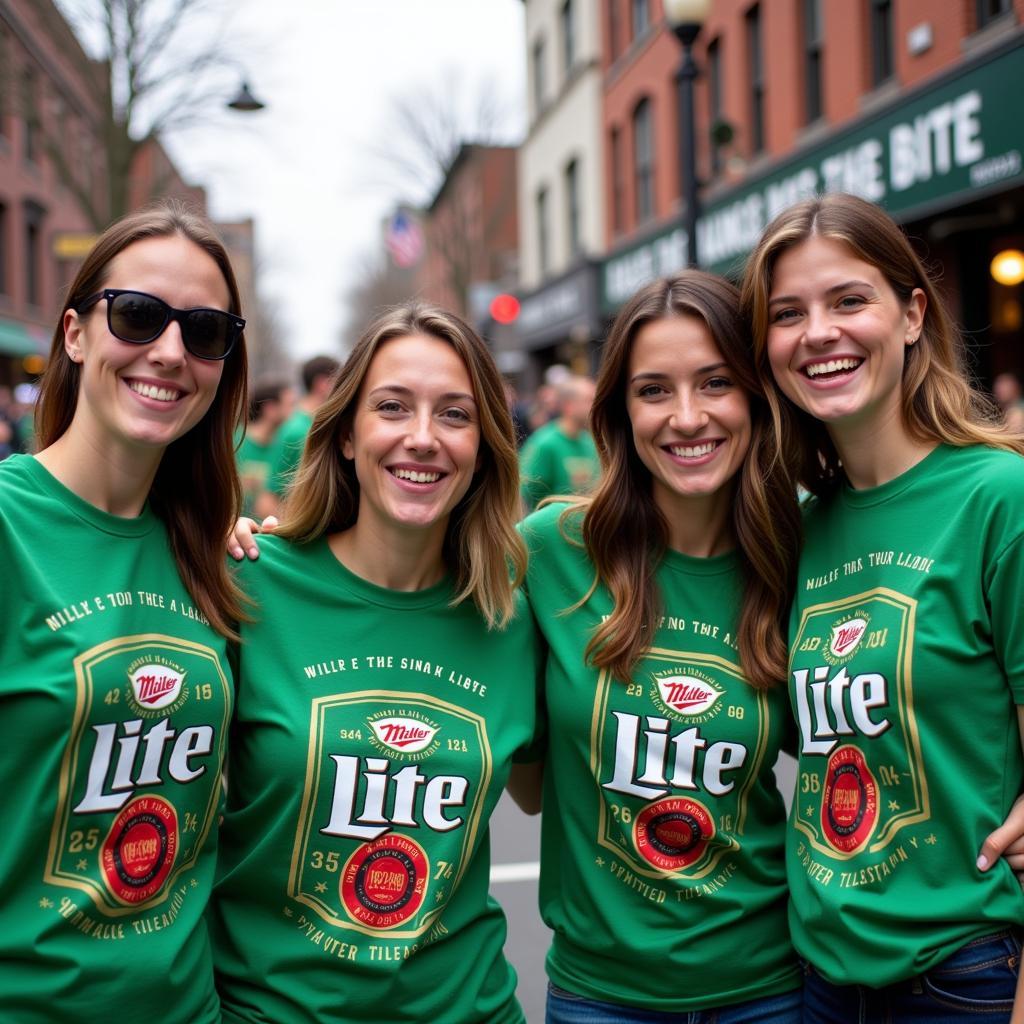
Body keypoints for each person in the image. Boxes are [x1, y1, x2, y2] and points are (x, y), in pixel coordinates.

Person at [211, 303, 540, 1023]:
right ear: (348, 436)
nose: (422, 439)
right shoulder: (246, 584)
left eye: (455, 416)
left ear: (483, 446)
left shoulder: (516, 613)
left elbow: (544, 790)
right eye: (392, 408)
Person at [741, 192, 1024, 1021]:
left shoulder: (997, 496)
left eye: (848, 300)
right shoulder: (795, 527)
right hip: (819, 977)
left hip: (966, 974)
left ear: (911, 315)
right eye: (787, 313)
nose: (818, 332)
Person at [518, 271, 804, 1021]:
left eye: (715, 382)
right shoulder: (549, 553)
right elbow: (397, 585)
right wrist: (270, 545)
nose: (686, 417)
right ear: (619, 413)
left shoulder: (801, 551)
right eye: (653, 390)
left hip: (768, 989)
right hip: (599, 997)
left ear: (755, 396)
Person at [0, 205, 247, 1022]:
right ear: (74, 334)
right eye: (139, 316)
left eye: (205, 331)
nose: (171, 352)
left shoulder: (212, 555)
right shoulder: (9, 526)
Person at [256, 353, 340, 518]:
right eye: (339, 381)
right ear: (322, 384)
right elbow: (268, 500)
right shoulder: (298, 431)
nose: (343, 387)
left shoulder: (309, 425)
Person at [519, 373, 600, 511]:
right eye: (589, 400)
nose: (596, 406)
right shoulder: (544, 443)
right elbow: (526, 494)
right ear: (569, 406)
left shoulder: (590, 442)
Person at [236, 376, 295, 516]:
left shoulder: (285, 447)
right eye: (290, 405)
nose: (295, 413)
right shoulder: (232, 442)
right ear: (270, 408)